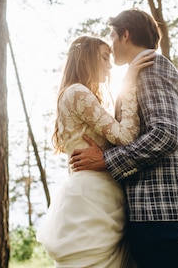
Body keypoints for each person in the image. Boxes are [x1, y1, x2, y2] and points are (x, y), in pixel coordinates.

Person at [70, 8, 178, 268]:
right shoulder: (140, 71)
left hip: (161, 210)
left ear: (125, 34)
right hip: (152, 211)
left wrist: (106, 160)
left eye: (112, 36)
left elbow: (165, 135)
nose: (111, 44)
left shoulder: (152, 67)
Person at [37, 35, 155, 268]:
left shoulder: (73, 94)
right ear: (86, 58)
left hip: (98, 192)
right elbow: (126, 136)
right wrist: (129, 82)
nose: (109, 66)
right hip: (93, 196)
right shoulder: (77, 92)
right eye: (103, 57)